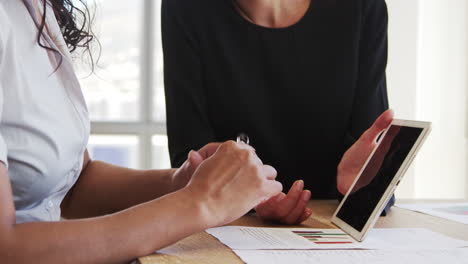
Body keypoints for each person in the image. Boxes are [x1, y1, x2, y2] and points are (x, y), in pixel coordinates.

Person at [0, 0, 284, 262]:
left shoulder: (35, 8)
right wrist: (200, 202)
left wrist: (181, 182)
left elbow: (73, 186)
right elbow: (6, 248)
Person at [162, 0, 392, 224]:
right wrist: (250, 198)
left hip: (331, 225)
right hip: (231, 222)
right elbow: (189, 162)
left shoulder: (361, 6)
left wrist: (365, 188)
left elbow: (372, 160)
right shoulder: (186, 7)